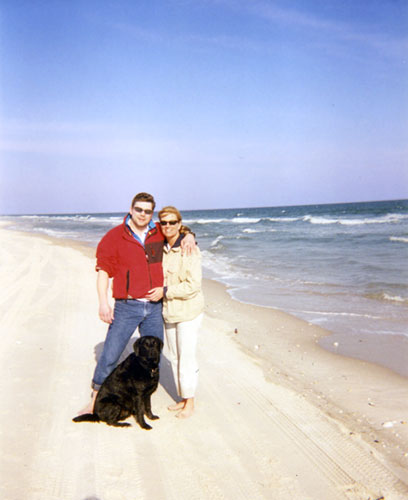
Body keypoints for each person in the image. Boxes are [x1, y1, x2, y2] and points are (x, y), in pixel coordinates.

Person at [78, 193, 195, 415]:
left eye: (148, 211)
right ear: (131, 209)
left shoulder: (158, 231)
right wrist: (103, 303)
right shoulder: (114, 236)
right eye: (139, 209)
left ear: (152, 213)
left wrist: (189, 235)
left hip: (154, 307)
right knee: (111, 353)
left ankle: (142, 397)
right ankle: (96, 399)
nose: (143, 214)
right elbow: (103, 271)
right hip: (126, 306)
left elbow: (176, 230)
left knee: (153, 355)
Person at [159, 206, 204, 419]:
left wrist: (166, 291)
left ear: (179, 224)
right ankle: (183, 398)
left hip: (188, 311)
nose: (167, 226)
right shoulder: (161, 247)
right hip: (170, 312)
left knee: (186, 357)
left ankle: (190, 402)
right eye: (164, 223)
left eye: (172, 223)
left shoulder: (189, 248)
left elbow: (193, 285)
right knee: (175, 356)